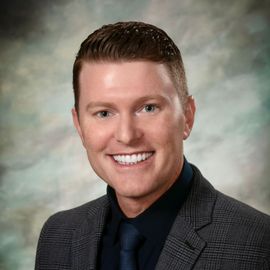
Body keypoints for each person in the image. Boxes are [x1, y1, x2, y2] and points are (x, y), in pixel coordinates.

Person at [35, 21, 270, 270]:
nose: (127, 135)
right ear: (79, 126)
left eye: (148, 108)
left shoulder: (259, 246)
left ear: (187, 117)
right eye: (104, 113)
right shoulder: (58, 236)